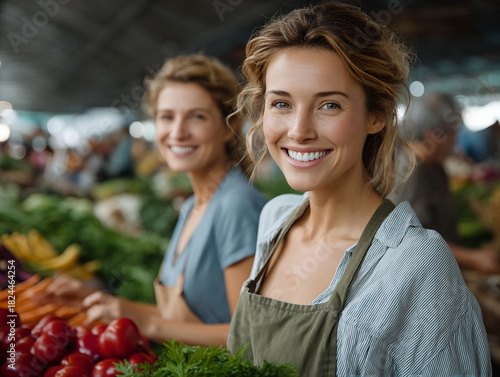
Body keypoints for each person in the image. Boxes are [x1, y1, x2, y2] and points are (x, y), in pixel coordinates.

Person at [226, 2, 492, 376]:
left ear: (376, 115)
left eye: (329, 105)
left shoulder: (415, 262)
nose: (299, 130)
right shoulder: (275, 219)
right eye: (282, 103)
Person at [39, 54, 267, 347]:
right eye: (167, 116)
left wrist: (146, 323)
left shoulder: (236, 205)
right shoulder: (191, 207)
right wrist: (98, 301)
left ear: (229, 126)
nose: (177, 132)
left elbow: (248, 336)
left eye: (197, 116)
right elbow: (183, 320)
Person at [388, 92, 500, 275]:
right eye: (453, 133)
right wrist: (472, 258)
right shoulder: (410, 171)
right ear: (434, 135)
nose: (455, 141)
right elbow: (413, 238)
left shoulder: (434, 165)